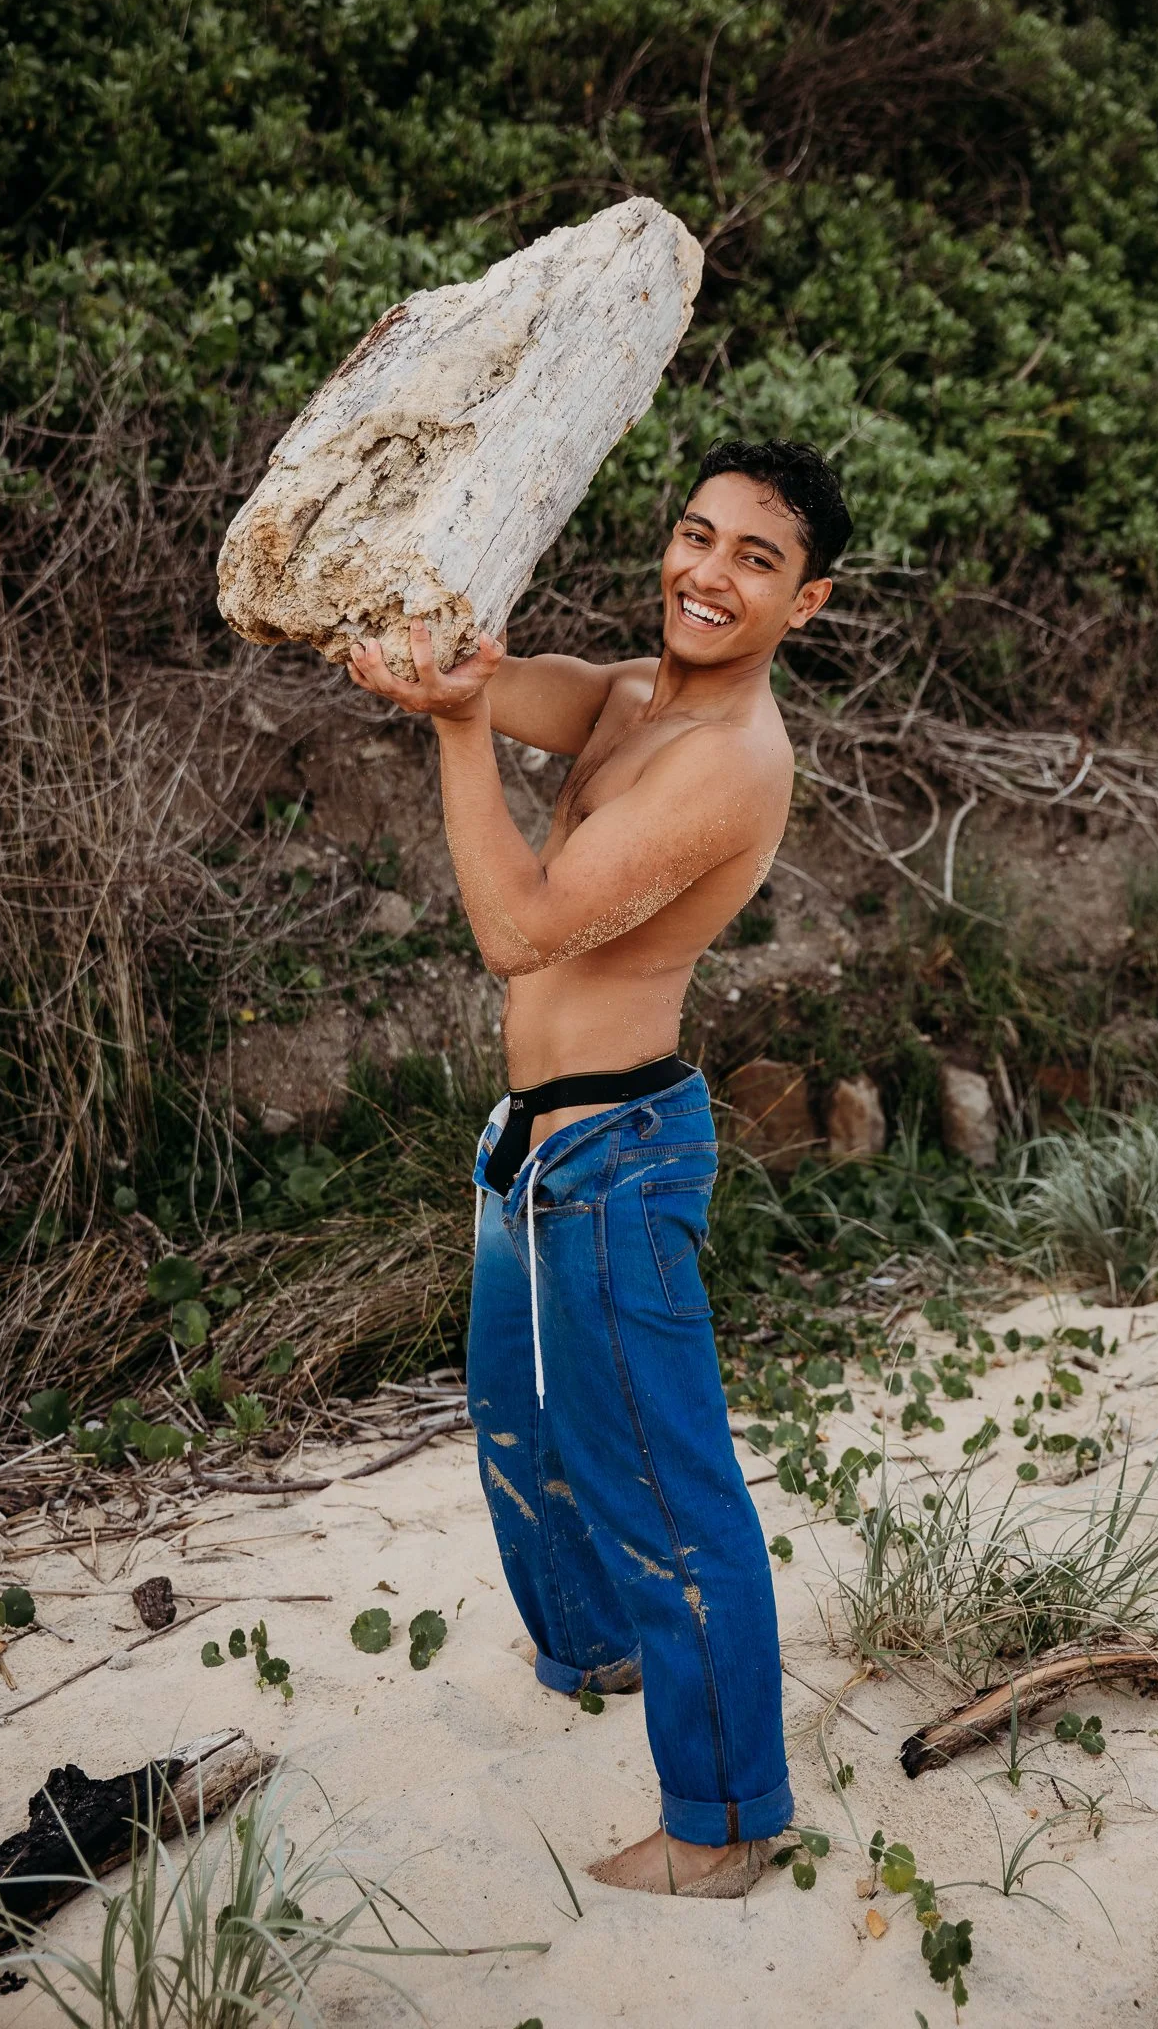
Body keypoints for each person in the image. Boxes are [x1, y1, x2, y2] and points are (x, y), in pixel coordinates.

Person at [342, 438, 851, 1895]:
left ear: (805, 604)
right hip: (536, 1147)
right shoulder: (632, 696)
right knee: (518, 1420)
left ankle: (731, 1824)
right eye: (697, 537)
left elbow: (521, 928)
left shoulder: (730, 763)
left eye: (756, 560)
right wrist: (437, 671)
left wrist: (450, 738)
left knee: (667, 1491)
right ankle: (600, 1648)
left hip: (621, 1160)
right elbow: (503, 683)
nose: (708, 574)